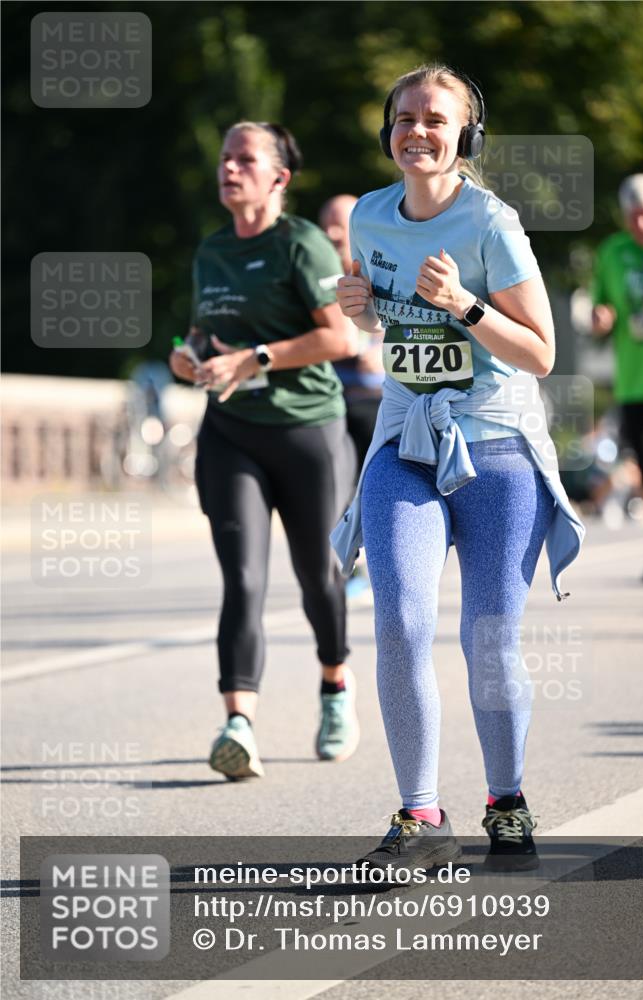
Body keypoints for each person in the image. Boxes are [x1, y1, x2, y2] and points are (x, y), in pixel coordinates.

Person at [332, 64, 584, 872]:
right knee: (401, 624)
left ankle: (504, 800)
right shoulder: (369, 217)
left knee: (488, 639)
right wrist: (364, 309)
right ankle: (419, 817)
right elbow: (389, 325)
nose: (418, 131)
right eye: (404, 117)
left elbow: (540, 353)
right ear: (387, 131)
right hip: (405, 438)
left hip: (496, 447)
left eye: (435, 119)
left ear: (464, 135)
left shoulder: (491, 223)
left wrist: (467, 309)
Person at [169, 121, 359, 780]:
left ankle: (335, 687)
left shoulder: (302, 245)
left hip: (307, 432)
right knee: (242, 579)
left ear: (277, 176)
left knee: (317, 578)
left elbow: (340, 340)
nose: (229, 168)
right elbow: (203, 332)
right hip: (231, 434)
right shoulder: (211, 252)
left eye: (244, 159)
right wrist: (188, 356)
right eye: (224, 157)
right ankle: (238, 723)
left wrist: (255, 360)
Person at [591, 174, 643, 582]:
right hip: (635, 380)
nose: (640, 226)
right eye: (633, 217)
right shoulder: (612, 252)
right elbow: (601, 305)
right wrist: (601, 318)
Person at [319, 195, 385, 596]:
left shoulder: (383, 264)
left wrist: (382, 355)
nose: (331, 233)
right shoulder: (314, 279)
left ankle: (381, 564)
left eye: (340, 224)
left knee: (373, 488)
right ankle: (346, 567)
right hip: (330, 401)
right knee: (334, 487)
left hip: (377, 402)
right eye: (325, 223)